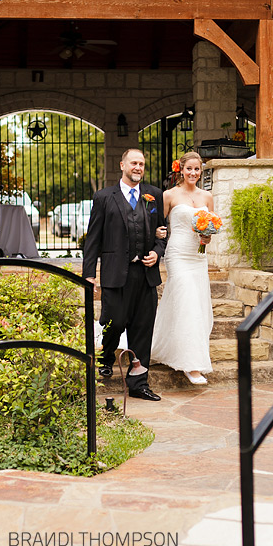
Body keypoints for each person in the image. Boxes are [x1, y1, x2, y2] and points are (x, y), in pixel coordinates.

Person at [83, 148, 166, 401]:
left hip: (145, 275)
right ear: (122, 165)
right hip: (115, 273)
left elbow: (162, 232)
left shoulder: (154, 195)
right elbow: (93, 239)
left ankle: (138, 383)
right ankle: (106, 357)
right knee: (114, 321)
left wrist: (157, 252)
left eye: (141, 163)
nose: (138, 167)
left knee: (142, 329)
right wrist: (89, 274)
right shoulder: (103, 197)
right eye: (133, 163)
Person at [150, 151, 214, 384]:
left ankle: (168, 348)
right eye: (189, 169)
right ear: (181, 170)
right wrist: (157, 234)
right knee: (187, 301)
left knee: (197, 304)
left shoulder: (207, 197)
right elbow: (156, 226)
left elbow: (210, 228)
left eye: (197, 169)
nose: (193, 173)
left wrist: (207, 238)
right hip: (178, 254)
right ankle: (191, 365)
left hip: (198, 257)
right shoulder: (169, 195)